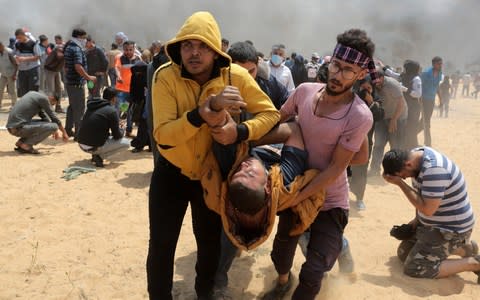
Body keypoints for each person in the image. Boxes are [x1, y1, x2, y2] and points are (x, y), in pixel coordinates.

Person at [147, 11, 280, 300]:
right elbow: (163, 136)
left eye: (203, 46)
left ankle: (204, 294)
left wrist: (240, 132)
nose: (194, 53)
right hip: (171, 172)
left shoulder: (236, 75)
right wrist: (200, 116)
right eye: (187, 46)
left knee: (208, 243)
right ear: (178, 48)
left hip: (211, 175)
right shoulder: (165, 76)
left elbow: (271, 114)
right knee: (161, 244)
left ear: (215, 49)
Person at [262, 28, 374, 300]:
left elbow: (336, 169)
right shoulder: (303, 92)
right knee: (280, 254)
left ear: (360, 75)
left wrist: (296, 197)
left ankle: (339, 255)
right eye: (336, 65)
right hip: (295, 186)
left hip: (331, 199)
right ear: (329, 61)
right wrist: (243, 135)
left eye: (349, 70)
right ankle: (283, 281)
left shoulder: (359, 115)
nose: (339, 74)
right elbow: (276, 119)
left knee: (315, 269)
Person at [201, 122, 325, 298]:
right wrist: (249, 139)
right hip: (279, 188)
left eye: (243, 171)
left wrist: (248, 138)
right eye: (248, 174)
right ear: (266, 185)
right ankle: (220, 282)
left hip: (280, 195)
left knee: (301, 228)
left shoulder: (240, 165)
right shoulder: (284, 180)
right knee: (230, 225)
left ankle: (321, 265)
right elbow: (294, 129)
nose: (246, 166)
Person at [382, 148, 480, 281]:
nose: (404, 178)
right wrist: (414, 223)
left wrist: (400, 183)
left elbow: (428, 209)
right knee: (404, 253)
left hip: (451, 229)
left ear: (408, 164)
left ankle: (475, 263)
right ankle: (464, 249)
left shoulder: (435, 171)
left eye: (403, 175)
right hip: (435, 225)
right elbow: (421, 195)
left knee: (415, 267)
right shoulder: (415, 158)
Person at [227, 41, 289, 110]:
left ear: (257, 66)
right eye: (241, 73)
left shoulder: (268, 83)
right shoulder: (219, 83)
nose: (248, 77)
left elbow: (287, 101)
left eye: (251, 71)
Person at [77, 87, 129, 167]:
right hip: (93, 146)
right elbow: (117, 136)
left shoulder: (92, 106)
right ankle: (99, 156)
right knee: (126, 143)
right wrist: (122, 128)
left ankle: (96, 154)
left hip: (81, 143)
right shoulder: (112, 111)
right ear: (114, 98)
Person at [368, 70, 407, 176]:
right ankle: (374, 170)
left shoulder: (392, 85)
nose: (375, 83)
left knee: (395, 145)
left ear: (382, 78)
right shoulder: (371, 84)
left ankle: (394, 171)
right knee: (378, 144)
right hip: (382, 117)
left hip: (398, 117)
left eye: (377, 80)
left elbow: (401, 103)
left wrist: (394, 120)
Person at [64, 28, 96, 140]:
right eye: (84, 38)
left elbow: (67, 66)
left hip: (70, 82)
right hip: (77, 83)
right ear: (79, 37)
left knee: (72, 107)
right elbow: (78, 66)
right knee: (79, 109)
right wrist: (88, 77)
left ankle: (68, 130)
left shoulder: (69, 47)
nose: (85, 40)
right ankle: (79, 134)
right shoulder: (76, 49)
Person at [115, 40, 142, 137]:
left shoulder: (138, 59)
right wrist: (118, 76)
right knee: (120, 110)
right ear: (123, 49)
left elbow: (141, 72)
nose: (128, 51)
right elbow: (117, 68)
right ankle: (117, 131)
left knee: (130, 111)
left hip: (133, 90)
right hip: (121, 90)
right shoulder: (120, 58)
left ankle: (128, 130)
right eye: (126, 50)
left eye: (131, 49)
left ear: (134, 49)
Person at [420, 56, 443, 146]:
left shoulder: (440, 73)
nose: (441, 65)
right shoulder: (426, 73)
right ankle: (428, 142)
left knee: (425, 121)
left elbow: (437, 87)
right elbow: (420, 86)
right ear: (434, 64)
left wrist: (440, 99)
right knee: (426, 121)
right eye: (439, 64)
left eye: (441, 64)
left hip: (431, 100)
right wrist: (420, 100)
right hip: (423, 100)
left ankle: (411, 134)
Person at [13, 28, 41, 97]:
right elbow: (14, 54)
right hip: (22, 70)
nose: (18, 39)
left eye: (20, 38)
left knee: (33, 90)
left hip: (32, 69)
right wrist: (15, 58)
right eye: (17, 38)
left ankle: (34, 107)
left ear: (24, 35)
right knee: (23, 91)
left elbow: (37, 57)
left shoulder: (33, 43)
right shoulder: (17, 44)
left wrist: (24, 59)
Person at [0, 41, 18, 108]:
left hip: (11, 74)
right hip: (3, 74)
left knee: (12, 90)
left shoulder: (9, 52)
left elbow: (16, 64)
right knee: (0, 89)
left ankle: (14, 105)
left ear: (1, 46)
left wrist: (15, 74)